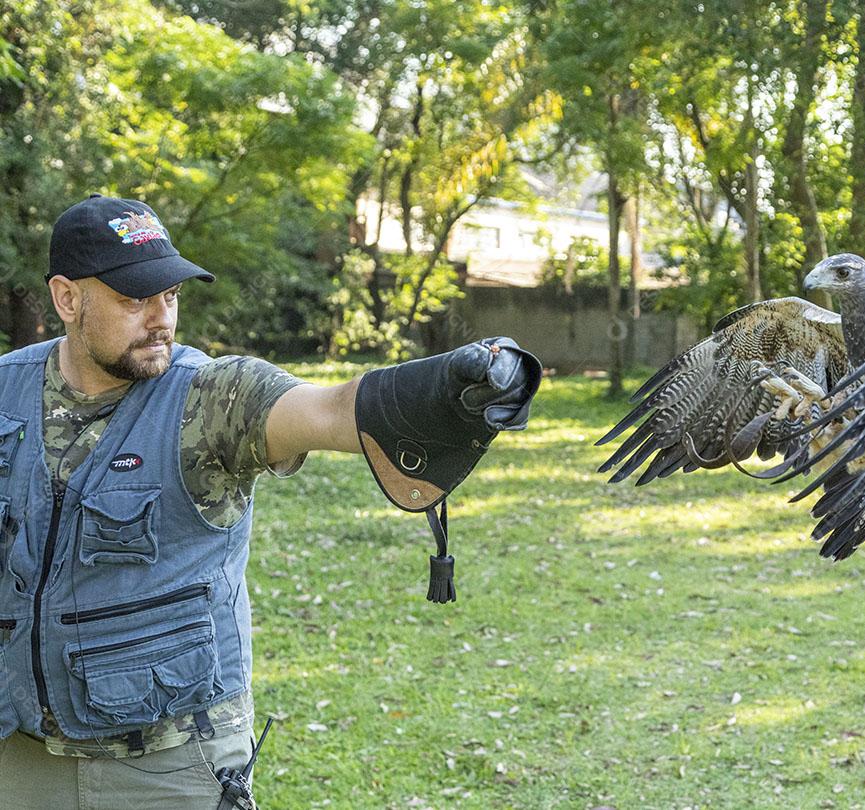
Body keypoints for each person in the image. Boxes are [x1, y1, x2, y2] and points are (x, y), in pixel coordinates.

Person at [0, 194, 541, 809]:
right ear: (68, 299)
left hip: (169, 762)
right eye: (134, 299)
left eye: (170, 296)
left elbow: (329, 410)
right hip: (19, 752)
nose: (161, 319)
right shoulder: (5, 392)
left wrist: (443, 389)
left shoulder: (211, 397)